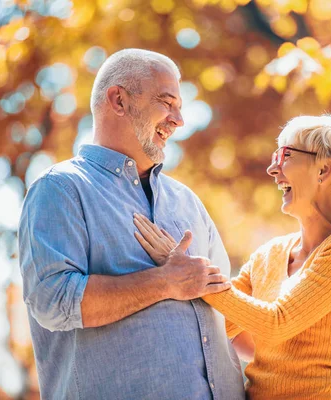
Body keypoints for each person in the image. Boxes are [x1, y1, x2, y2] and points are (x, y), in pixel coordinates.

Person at [18, 48, 245, 399]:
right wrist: (164, 282)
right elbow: (53, 300)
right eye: (167, 102)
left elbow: (229, 316)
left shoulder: (189, 203)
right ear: (119, 101)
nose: (178, 120)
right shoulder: (61, 189)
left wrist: (309, 357)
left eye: (179, 107)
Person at [134, 114, 331, 399]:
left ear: (324, 170)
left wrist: (194, 275)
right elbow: (222, 324)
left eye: (285, 155)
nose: (272, 168)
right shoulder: (270, 254)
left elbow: (278, 323)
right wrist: (166, 281)